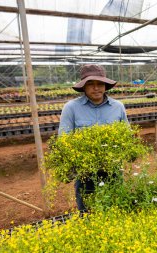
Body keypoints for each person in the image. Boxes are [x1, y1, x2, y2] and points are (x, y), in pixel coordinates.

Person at [58, 64, 128, 211]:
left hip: (112, 169)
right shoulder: (71, 108)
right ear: (83, 87)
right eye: (91, 84)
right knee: (87, 211)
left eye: (100, 84)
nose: (96, 88)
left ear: (105, 85)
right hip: (85, 173)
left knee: (116, 209)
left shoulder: (118, 107)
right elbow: (63, 139)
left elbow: (126, 136)